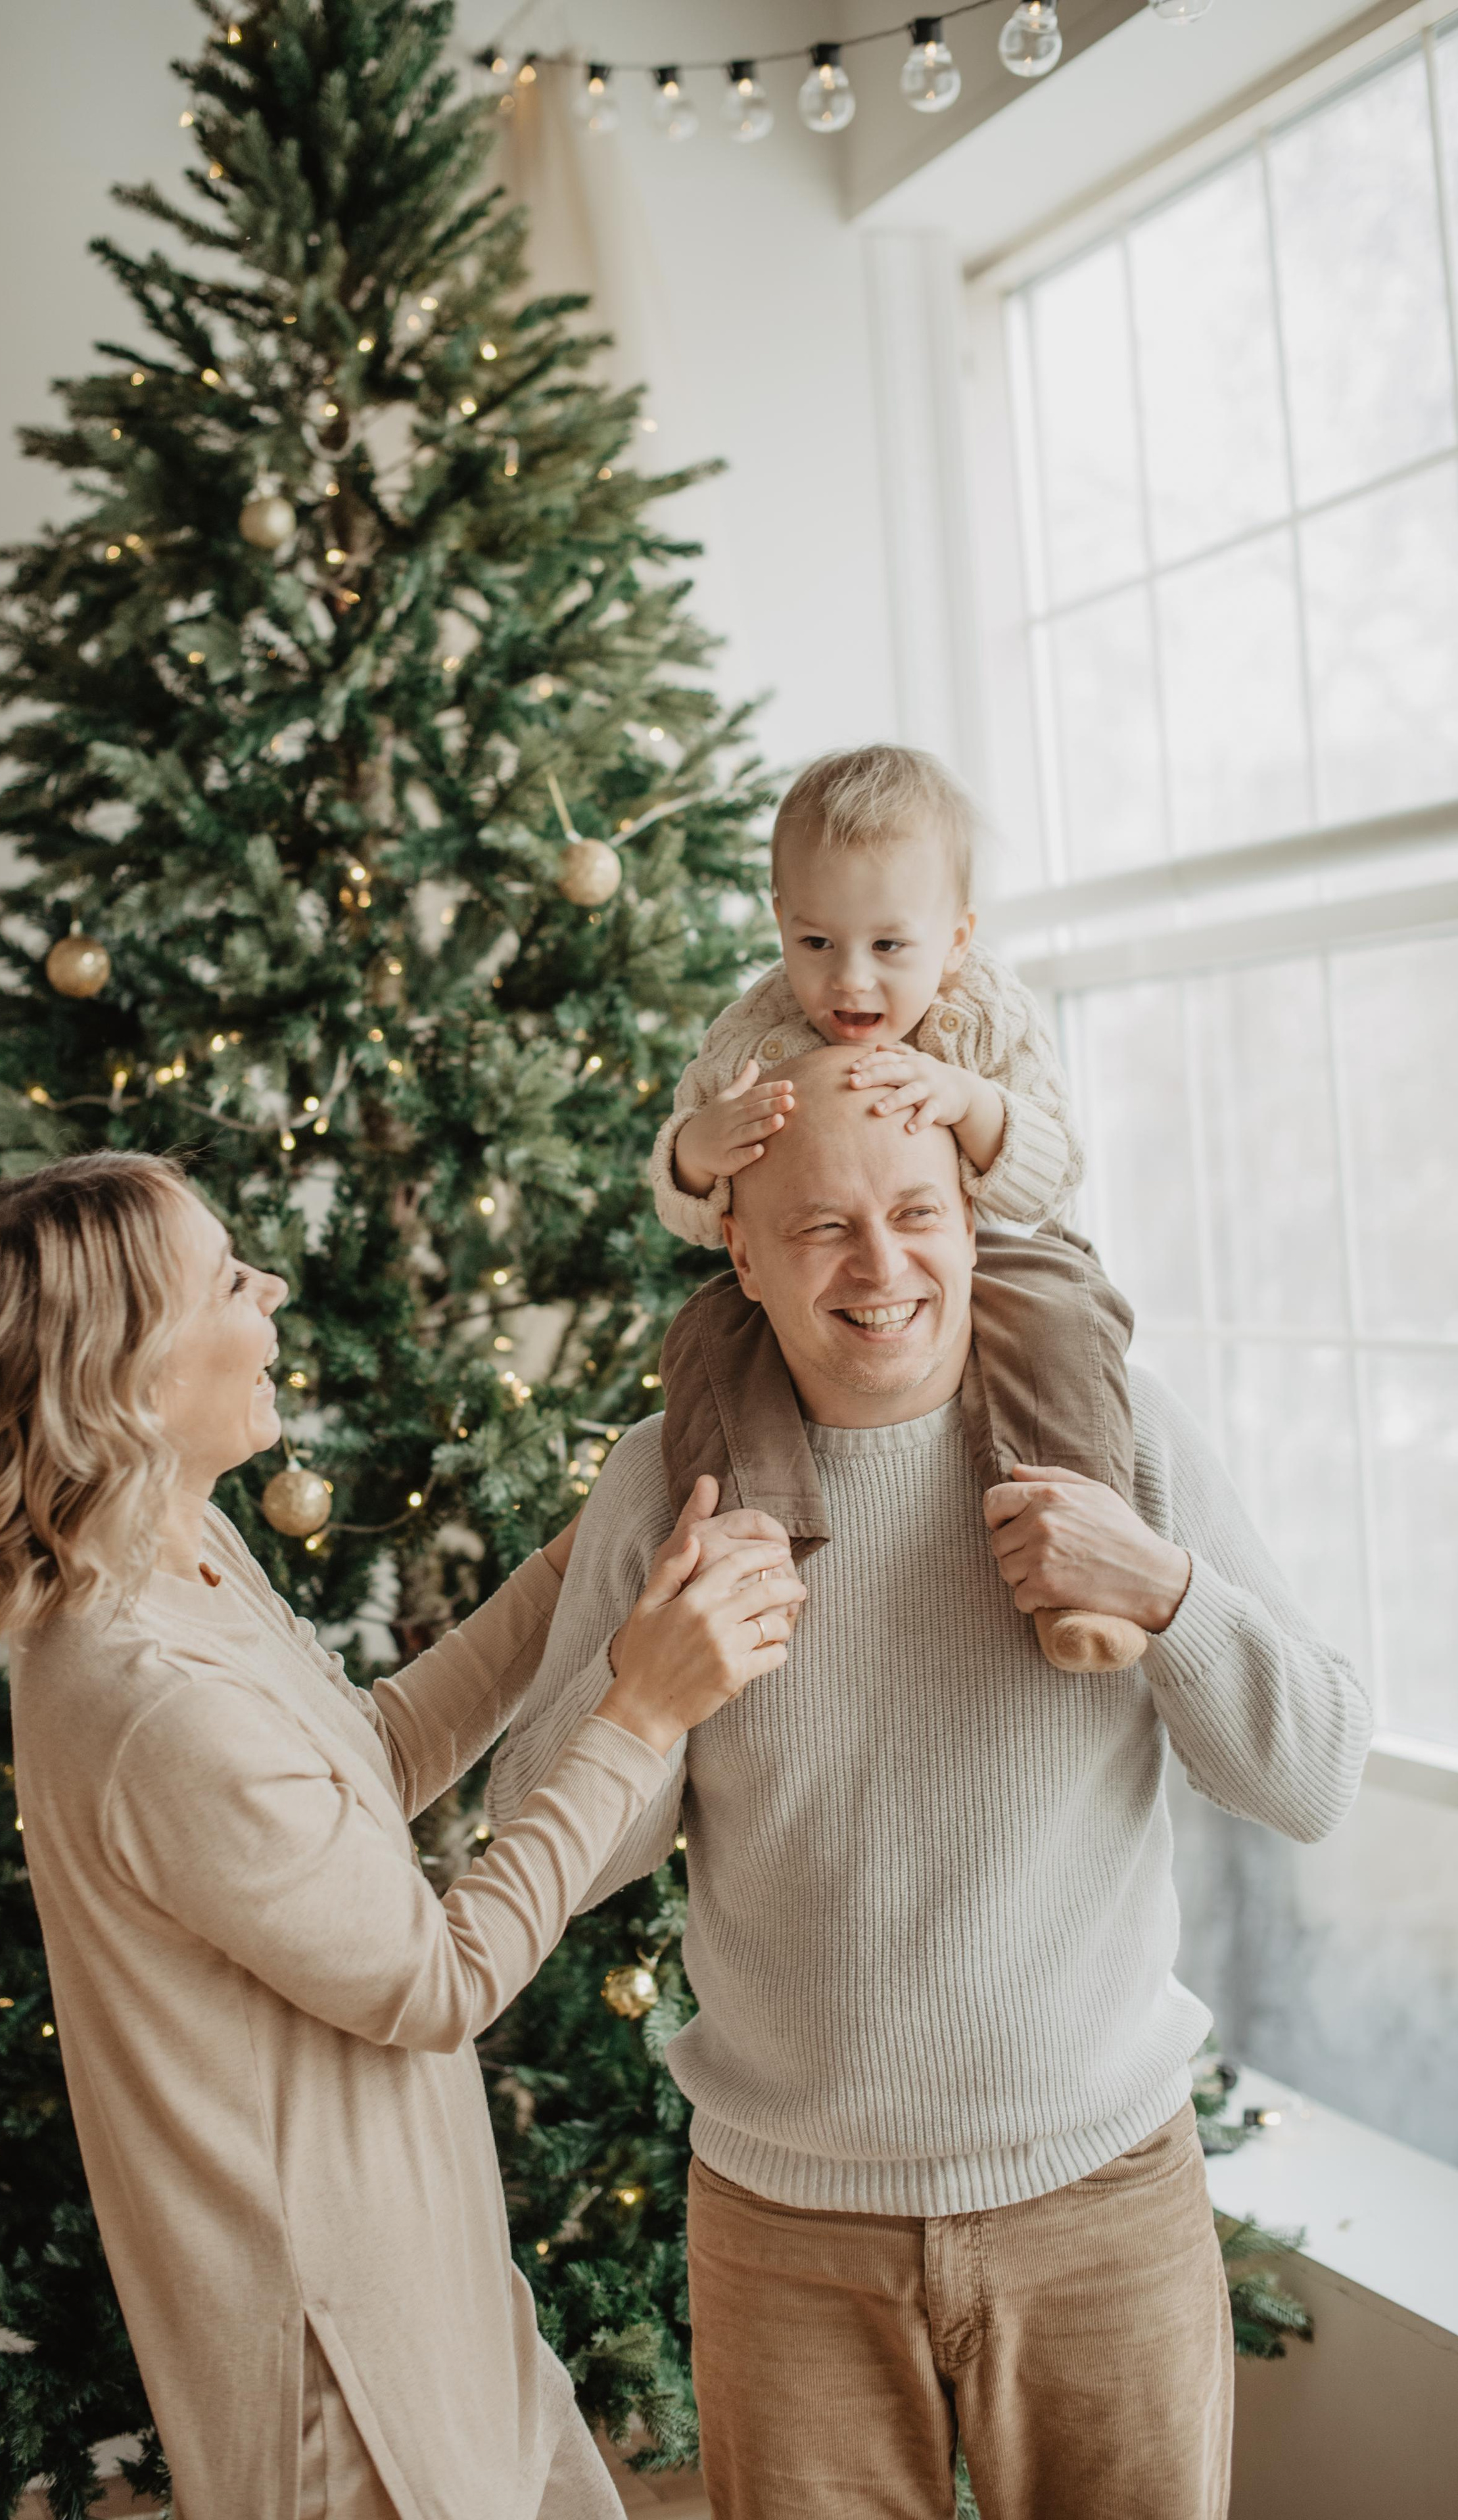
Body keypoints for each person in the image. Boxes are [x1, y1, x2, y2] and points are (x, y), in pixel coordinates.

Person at [492, 1049, 1372, 2520]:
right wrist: (649, 1694)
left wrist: (1161, 1593)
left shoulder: (1117, 1432)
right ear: (745, 1256)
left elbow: (1314, 1773)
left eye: (916, 1213)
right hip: (782, 2233)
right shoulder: (666, 1478)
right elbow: (545, 1845)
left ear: (974, 1222)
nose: (880, 1266)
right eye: (822, 1227)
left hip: (1098, 2202)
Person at [0, 1150, 805, 2520]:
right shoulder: (142, 1699)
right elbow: (434, 1983)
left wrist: (573, 1568)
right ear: (124, 1374)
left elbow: (362, 1760)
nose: (275, 1292)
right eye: (226, 1281)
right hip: (341, 2380)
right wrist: (642, 1712)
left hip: (431, 2279)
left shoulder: (178, 1550)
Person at [651, 742, 1146, 1674]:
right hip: (810, 1278)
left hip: (990, 1250)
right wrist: (696, 1151)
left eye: (889, 946)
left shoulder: (987, 1016)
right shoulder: (750, 1037)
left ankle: (1076, 1552)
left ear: (955, 937)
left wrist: (974, 1104)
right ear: (780, 923)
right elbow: (691, 1212)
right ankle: (751, 1562)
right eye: (816, 943)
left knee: (1072, 1311)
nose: (851, 981)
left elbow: (1055, 1171)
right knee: (707, 1337)